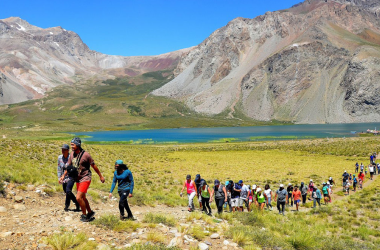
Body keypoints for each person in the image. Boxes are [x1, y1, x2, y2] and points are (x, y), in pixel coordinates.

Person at [60, 137, 105, 222]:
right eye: (71, 145)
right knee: (83, 198)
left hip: (86, 178)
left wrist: (100, 176)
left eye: (73, 145)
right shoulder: (72, 154)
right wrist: (63, 176)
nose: (72, 146)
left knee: (78, 197)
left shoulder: (86, 155)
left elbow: (93, 165)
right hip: (77, 178)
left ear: (78, 144)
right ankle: (90, 212)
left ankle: (85, 215)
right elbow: (68, 167)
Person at [58, 144, 80, 212]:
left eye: (65, 150)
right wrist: (59, 177)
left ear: (68, 150)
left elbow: (70, 168)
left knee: (68, 190)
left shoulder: (71, 158)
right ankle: (76, 202)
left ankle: (66, 206)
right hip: (63, 178)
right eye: (62, 149)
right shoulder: (59, 158)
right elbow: (59, 168)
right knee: (67, 192)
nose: (63, 151)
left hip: (71, 177)